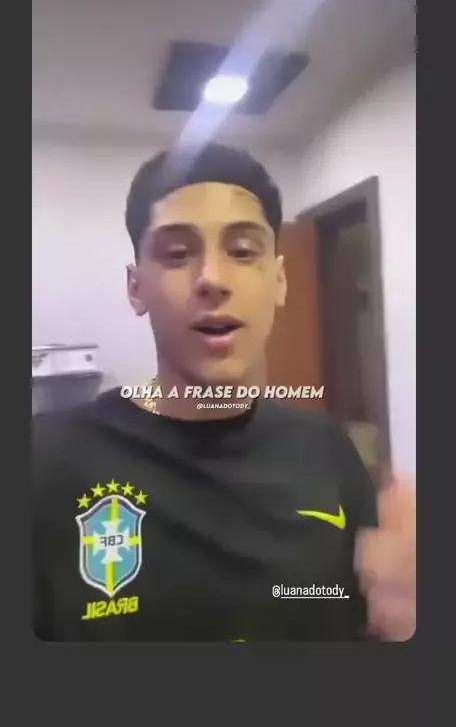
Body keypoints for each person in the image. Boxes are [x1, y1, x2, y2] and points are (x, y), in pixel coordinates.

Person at [32, 143, 416, 642]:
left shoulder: (329, 452)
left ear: (279, 280)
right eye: (177, 254)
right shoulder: (44, 460)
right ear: (136, 287)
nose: (212, 279)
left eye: (242, 251)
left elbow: (341, 608)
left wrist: (401, 623)